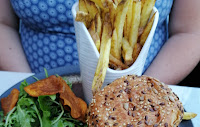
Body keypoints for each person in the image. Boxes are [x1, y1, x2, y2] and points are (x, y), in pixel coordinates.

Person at [0, 0, 200, 86]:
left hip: (149, 83)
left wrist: (140, 92)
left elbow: (190, 33)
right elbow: (3, 24)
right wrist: (27, 87)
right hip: (32, 81)